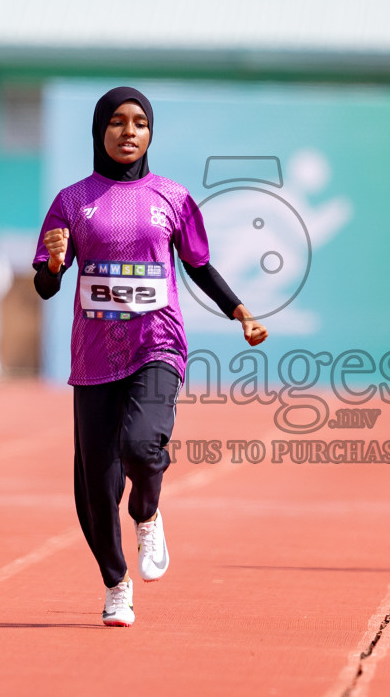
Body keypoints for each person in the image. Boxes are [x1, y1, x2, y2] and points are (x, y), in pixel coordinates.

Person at [34, 86, 267, 626]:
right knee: (95, 488)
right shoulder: (72, 201)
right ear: (100, 132)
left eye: (139, 122)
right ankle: (116, 584)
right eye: (116, 122)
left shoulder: (173, 197)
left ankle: (148, 511)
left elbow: (199, 266)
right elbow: (46, 286)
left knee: (143, 445)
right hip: (94, 356)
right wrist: (52, 264)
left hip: (157, 344)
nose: (128, 131)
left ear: (150, 133)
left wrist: (241, 312)